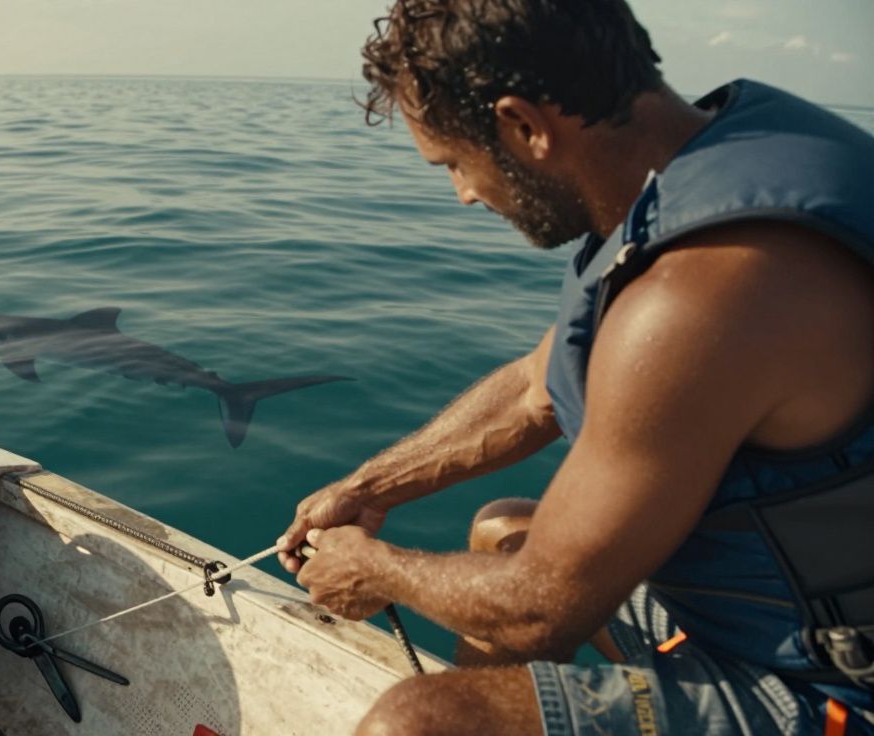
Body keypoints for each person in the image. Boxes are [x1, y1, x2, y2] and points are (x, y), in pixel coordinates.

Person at [275, 1, 874, 734]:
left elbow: (539, 606)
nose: (462, 194)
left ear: (524, 126)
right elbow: (537, 388)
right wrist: (366, 488)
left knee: (420, 723)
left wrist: (375, 568)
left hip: (831, 688)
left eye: (458, 163)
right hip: (759, 614)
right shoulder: (726, 164)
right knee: (502, 532)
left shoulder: (703, 293)